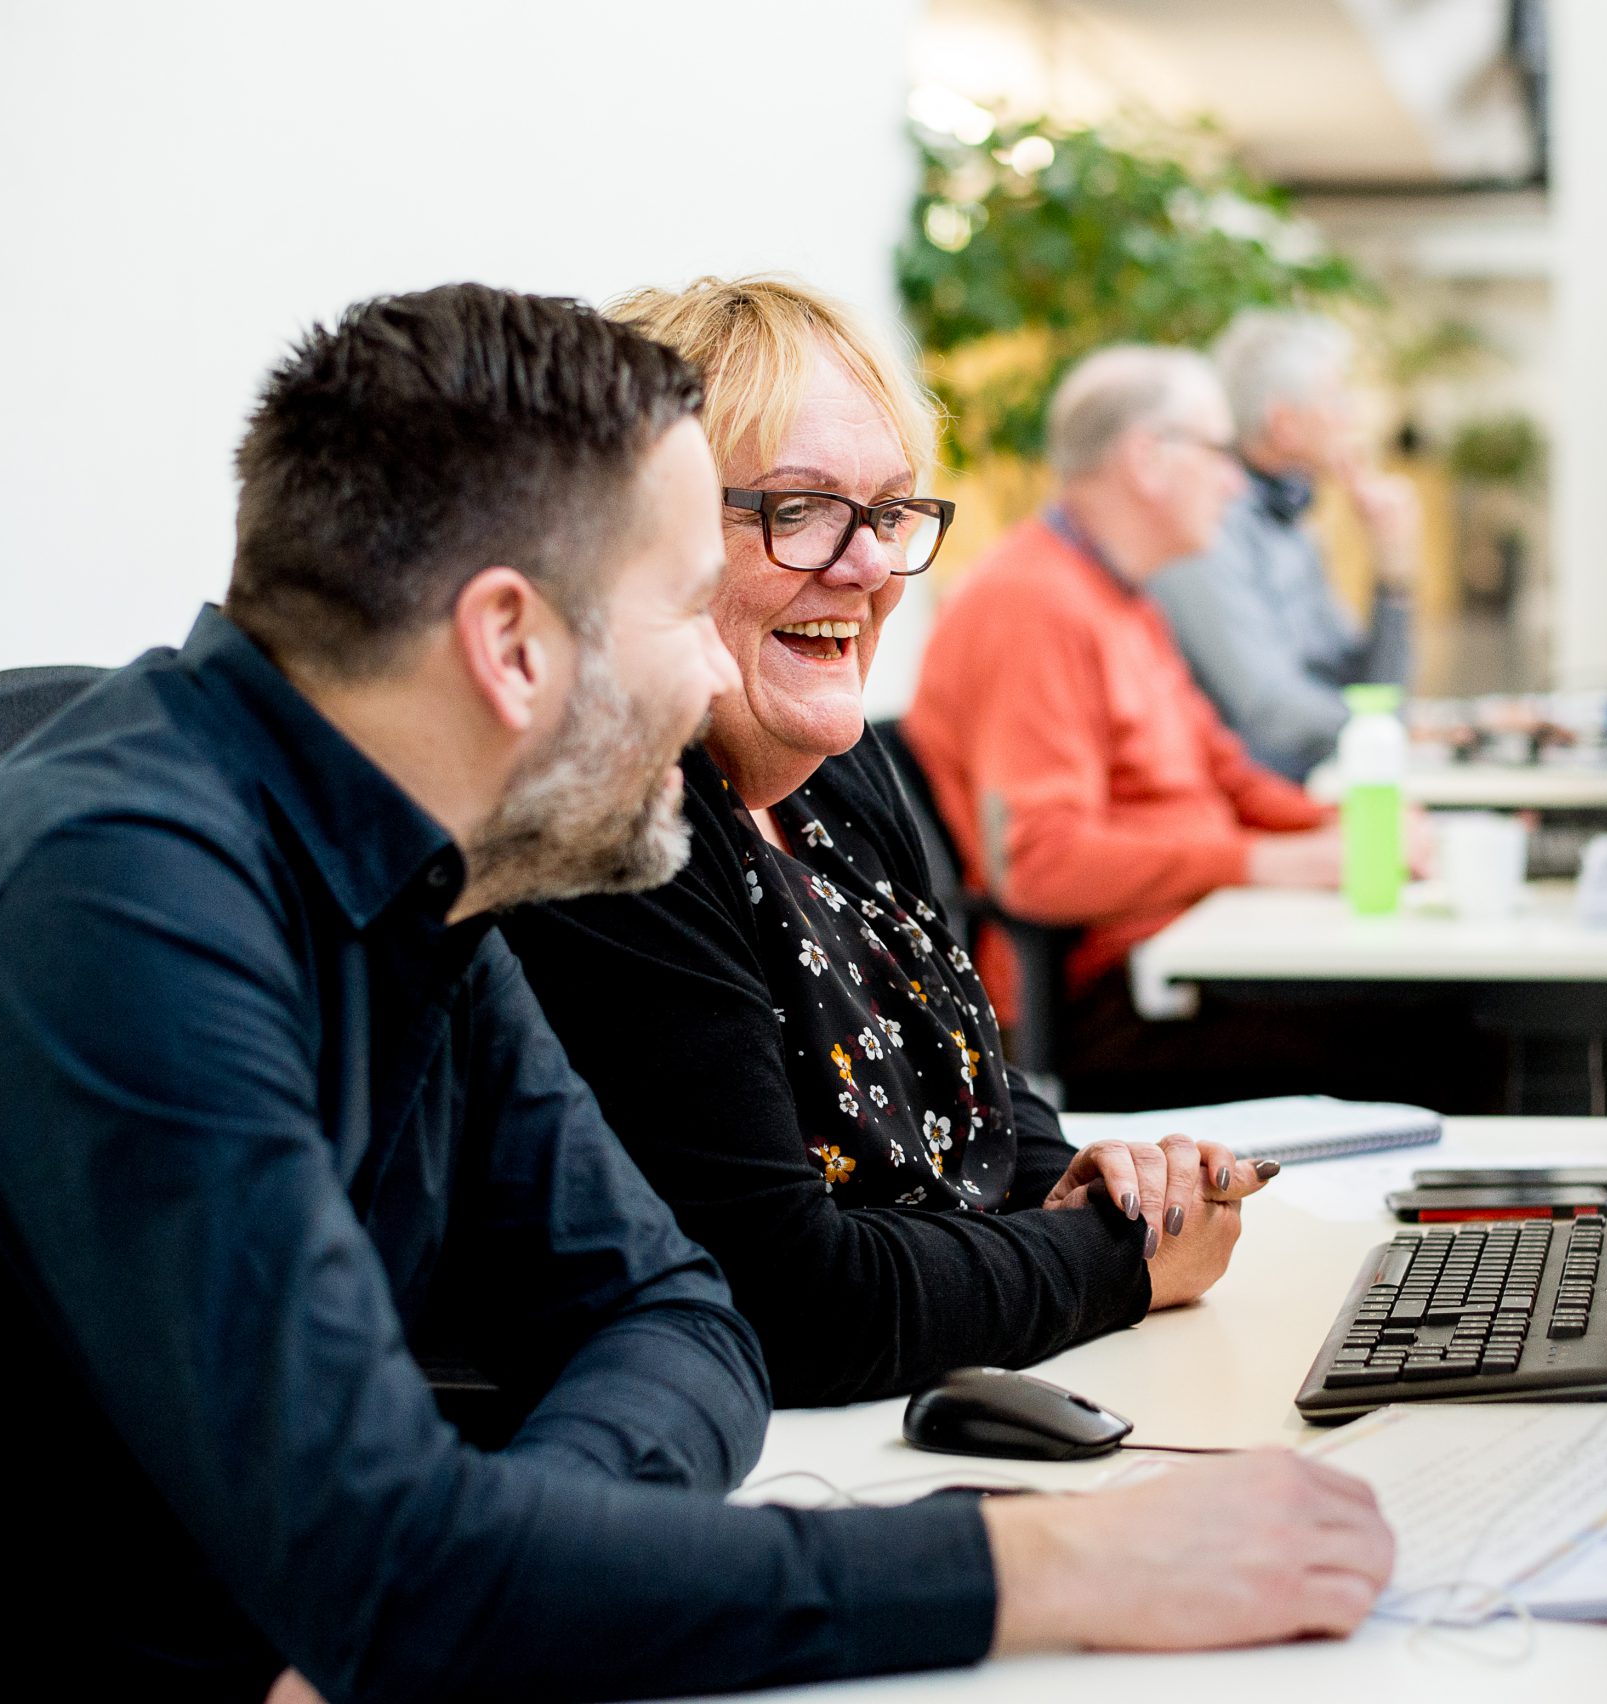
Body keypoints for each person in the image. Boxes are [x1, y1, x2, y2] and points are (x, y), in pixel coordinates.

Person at [0, 284, 1392, 1700]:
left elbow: (675, 1312)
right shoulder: (124, 903)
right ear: (511, 643)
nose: (716, 677)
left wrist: (490, 1558)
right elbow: (402, 1567)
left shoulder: (428, 865)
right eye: (678, 604)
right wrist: (1053, 1567)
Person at [501, 278, 1270, 1408]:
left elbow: (968, 1082)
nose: (864, 569)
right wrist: (1124, 1259)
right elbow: (793, 1301)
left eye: (891, 511)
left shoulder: (833, 762)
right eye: (798, 509)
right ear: (640, 538)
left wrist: (1102, 1184)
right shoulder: (617, 824)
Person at [906, 346, 1474, 1112]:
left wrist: (1350, 829)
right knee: (1448, 1034)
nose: (1237, 481)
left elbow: (1227, 774)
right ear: (1148, 459)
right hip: (1114, 1002)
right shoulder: (1031, 606)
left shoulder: (1125, 597)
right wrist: (1267, 862)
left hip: (1186, 950)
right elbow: (1041, 863)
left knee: (1440, 1002)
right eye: (1218, 453)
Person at [1148, 311, 1420, 782]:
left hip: (1307, 788)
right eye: (1336, 400)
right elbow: (1272, 712)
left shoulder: (1294, 524)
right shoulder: (1209, 529)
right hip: (1241, 805)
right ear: (1284, 425)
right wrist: (1383, 732)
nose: (1351, 417)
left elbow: (1370, 688)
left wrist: (1393, 567)